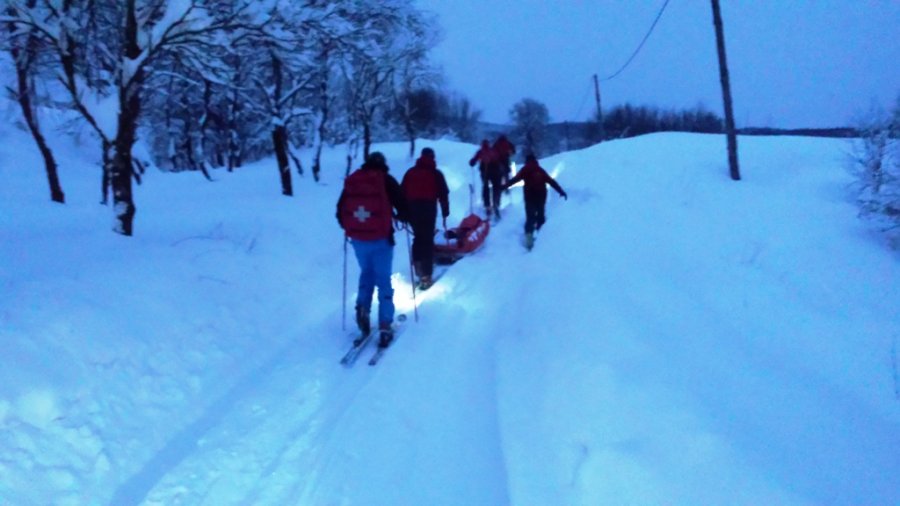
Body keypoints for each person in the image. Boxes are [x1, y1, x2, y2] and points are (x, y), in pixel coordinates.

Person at [336, 152, 408, 348]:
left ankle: (362, 308)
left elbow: (339, 210)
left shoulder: (353, 180)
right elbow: (404, 205)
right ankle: (385, 325)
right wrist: (402, 217)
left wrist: (351, 229)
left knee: (366, 273)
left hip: (358, 239)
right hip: (381, 239)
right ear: (383, 164)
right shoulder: (386, 180)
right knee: (383, 279)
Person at [401, 147, 450, 290]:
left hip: (412, 209)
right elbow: (443, 194)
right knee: (427, 240)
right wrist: (445, 211)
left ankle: (418, 268)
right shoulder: (436, 174)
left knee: (418, 238)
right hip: (428, 208)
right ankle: (426, 276)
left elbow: (401, 192)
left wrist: (402, 212)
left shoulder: (410, 173)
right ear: (433, 158)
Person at [503, 153, 567, 250]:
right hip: (541, 196)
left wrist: (504, 186)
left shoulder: (525, 169)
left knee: (530, 217)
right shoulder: (539, 169)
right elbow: (551, 181)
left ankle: (529, 237)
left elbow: (515, 180)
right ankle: (541, 236)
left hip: (529, 196)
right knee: (540, 215)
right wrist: (561, 191)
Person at [468, 139, 504, 220]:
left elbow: (473, 161)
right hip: (495, 171)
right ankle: (496, 203)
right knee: (496, 188)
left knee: (485, 188)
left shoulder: (480, 152)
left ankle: (487, 206)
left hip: (485, 171)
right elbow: (499, 160)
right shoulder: (493, 151)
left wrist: (472, 163)